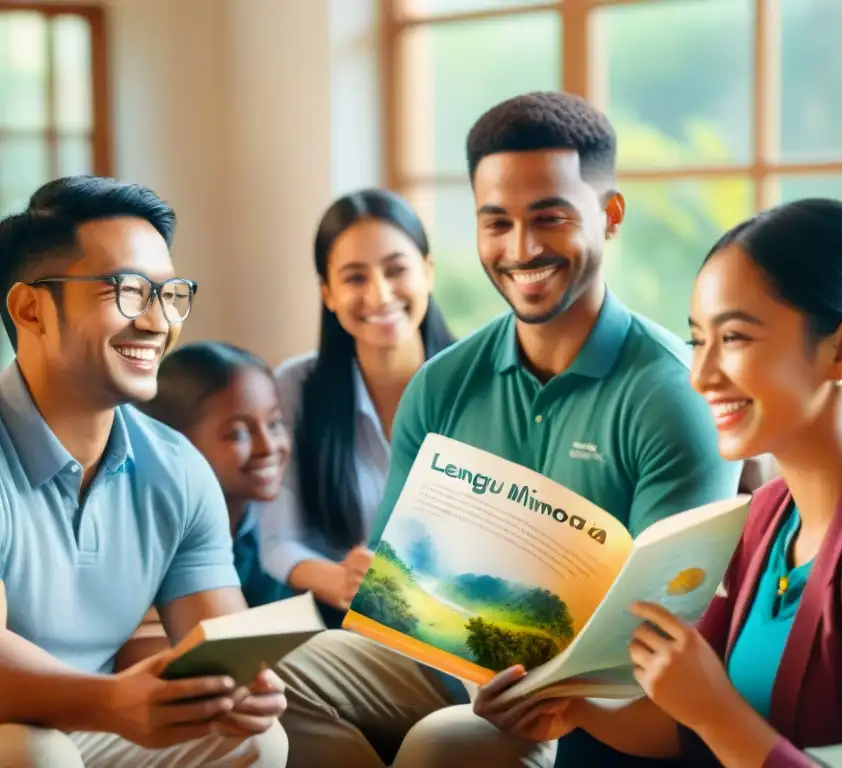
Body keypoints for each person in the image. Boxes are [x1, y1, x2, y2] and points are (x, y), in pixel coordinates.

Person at [273, 91, 741, 768]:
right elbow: (398, 581)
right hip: (442, 663)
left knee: (445, 741)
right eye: (496, 223)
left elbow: (653, 639)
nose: (520, 250)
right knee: (269, 685)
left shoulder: (674, 393)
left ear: (609, 217)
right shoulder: (442, 383)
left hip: (593, 701)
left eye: (549, 218)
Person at [470, 198, 842, 767]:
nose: (703, 376)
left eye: (733, 339)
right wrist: (575, 707)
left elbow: (714, 720)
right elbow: (686, 730)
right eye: (697, 341)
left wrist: (713, 711)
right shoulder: (768, 514)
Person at [0, 176, 288, 767]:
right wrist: (109, 701)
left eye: (169, 294)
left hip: (92, 722)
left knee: (256, 738)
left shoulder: (177, 467)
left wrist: (237, 689)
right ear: (32, 309)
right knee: (36, 753)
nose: (158, 322)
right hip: (26, 733)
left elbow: (216, 644)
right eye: (128, 291)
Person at [255, 188, 455, 629]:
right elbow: (277, 541)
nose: (380, 295)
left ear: (428, 273)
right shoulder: (295, 388)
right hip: (344, 625)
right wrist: (343, 581)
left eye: (396, 270)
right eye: (355, 278)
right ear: (327, 293)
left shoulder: (478, 383)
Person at [139, 341, 294, 609]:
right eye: (237, 433)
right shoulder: (156, 547)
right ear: (176, 441)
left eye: (274, 423)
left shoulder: (275, 529)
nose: (268, 447)